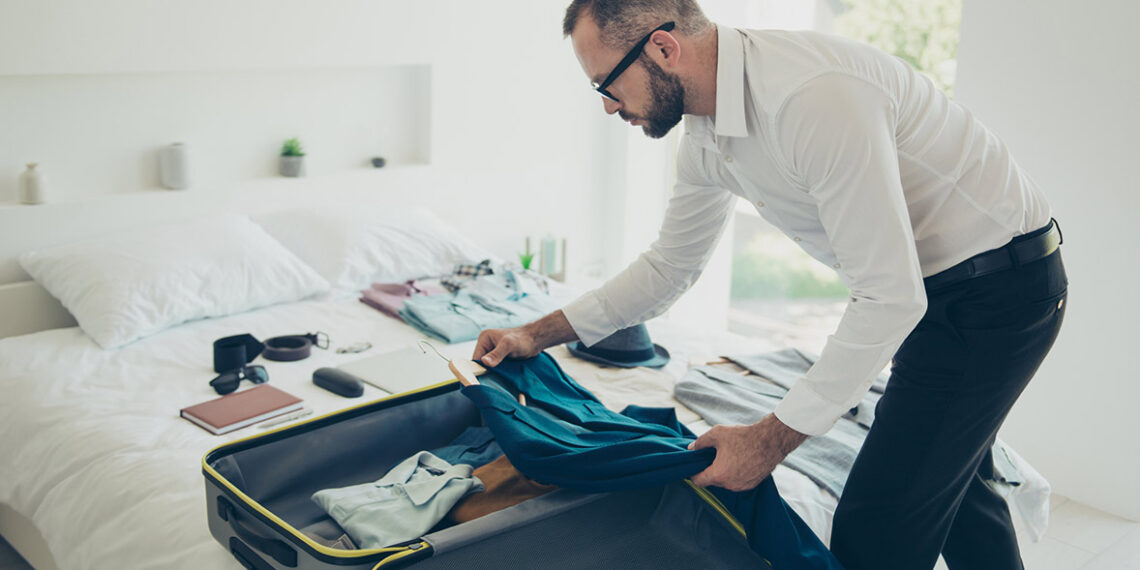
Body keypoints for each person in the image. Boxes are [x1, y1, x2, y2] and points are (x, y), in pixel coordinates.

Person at [472, 1, 1068, 568]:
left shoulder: (811, 98)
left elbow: (888, 297)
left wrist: (768, 439)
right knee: (958, 492)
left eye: (606, 84)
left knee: (874, 529)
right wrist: (534, 334)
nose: (608, 106)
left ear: (662, 48)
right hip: (937, 289)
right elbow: (669, 267)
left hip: (999, 289)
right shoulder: (706, 134)